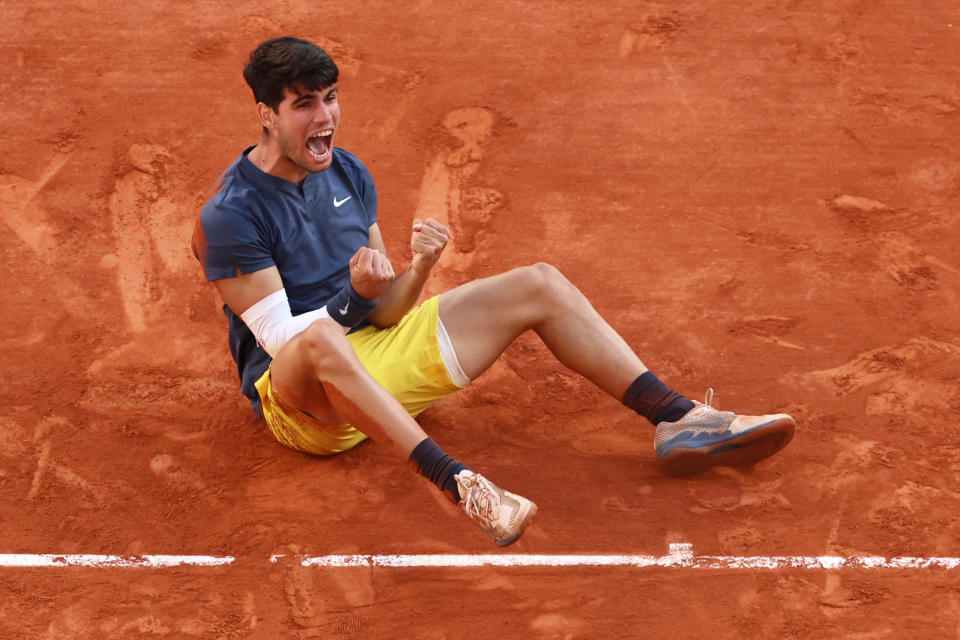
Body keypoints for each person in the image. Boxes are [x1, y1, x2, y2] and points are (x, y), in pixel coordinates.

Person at [192, 36, 796, 547]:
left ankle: (679, 418)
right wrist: (353, 298)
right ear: (266, 114)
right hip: (306, 407)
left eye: (330, 99)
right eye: (304, 105)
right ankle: (466, 488)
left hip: (373, 362)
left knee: (539, 283)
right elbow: (284, 344)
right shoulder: (230, 217)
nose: (324, 117)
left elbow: (386, 313)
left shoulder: (348, 172)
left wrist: (420, 268)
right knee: (323, 335)